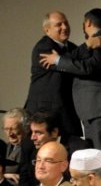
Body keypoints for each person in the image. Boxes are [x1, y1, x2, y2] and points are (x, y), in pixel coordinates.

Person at [39, 8, 101, 152]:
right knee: (95, 152)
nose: (65, 27)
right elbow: (77, 57)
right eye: (59, 24)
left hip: (98, 107)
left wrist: (58, 60)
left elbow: (88, 67)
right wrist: (87, 45)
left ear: (88, 23)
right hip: (93, 108)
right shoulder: (93, 41)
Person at [24, 11, 80, 142]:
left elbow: (80, 64)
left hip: (65, 112)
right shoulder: (43, 47)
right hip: (44, 112)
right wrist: (60, 60)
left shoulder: (72, 48)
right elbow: (69, 65)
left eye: (66, 23)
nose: (64, 27)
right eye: (58, 25)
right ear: (47, 30)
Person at [2, 108, 27, 185]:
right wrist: (4, 176)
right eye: (6, 129)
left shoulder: (29, 150)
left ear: (25, 127)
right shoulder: (4, 147)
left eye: (13, 129)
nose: (10, 133)